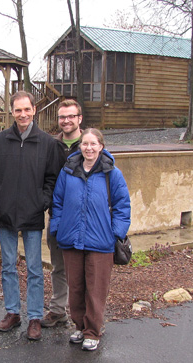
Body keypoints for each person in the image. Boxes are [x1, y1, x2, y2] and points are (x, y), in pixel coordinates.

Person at [0, 91, 62, 340]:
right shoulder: (0, 141)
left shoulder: (46, 142)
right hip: (6, 213)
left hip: (32, 213)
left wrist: (42, 201)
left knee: (34, 268)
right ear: (12, 112)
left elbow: (52, 178)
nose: (22, 114)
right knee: (8, 266)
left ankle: (35, 317)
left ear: (34, 110)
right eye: (18, 110)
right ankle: (13, 313)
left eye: (26, 109)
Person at [50, 128, 131, 351]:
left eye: (93, 144)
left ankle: (93, 331)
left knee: (95, 289)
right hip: (71, 239)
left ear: (101, 147)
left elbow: (122, 206)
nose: (89, 148)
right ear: (80, 146)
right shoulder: (68, 171)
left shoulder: (111, 173)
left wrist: (115, 233)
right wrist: (57, 227)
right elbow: (57, 201)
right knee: (75, 287)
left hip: (100, 242)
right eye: (85, 144)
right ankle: (79, 326)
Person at [41, 99, 83, 328]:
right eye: (62, 117)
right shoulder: (51, 146)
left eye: (70, 116)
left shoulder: (89, 144)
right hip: (57, 216)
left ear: (79, 119)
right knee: (58, 265)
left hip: (84, 218)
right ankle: (58, 310)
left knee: (84, 269)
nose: (66, 121)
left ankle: (86, 317)